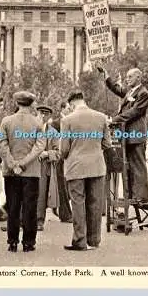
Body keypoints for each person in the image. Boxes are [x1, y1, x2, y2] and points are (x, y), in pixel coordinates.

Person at [0, 91, 46, 252]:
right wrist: (24, 164)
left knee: (13, 207)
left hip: (11, 172)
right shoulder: (37, 123)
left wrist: (12, 163)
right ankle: (28, 242)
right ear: (31, 104)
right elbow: (40, 147)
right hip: (31, 172)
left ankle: (12, 241)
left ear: (17, 103)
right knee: (30, 207)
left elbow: (1, 144)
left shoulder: (6, 121)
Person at [61, 90, 111, 251]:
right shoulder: (101, 117)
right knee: (95, 203)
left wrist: (66, 155)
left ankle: (80, 241)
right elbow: (107, 144)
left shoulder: (67, 120)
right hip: (97, 165)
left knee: (78, 203)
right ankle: (94, 240)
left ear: (72, 104)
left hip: (75, 166)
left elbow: (64, 148)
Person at [101, 67, 148, 203]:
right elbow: (117, 89)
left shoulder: (143, 93)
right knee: (127, 165)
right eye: (127, 77)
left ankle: (140, 196)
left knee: (138, 165)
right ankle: (130, 195)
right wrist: (106, 75)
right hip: (127, 136)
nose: (127, 79)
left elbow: (135, 112)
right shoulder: (131, 91)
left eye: (130, 77)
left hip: (136, 135)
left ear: (138, 77)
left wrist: (114, 120)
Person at [36, 105, 61, 231]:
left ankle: (39, 221)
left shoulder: (53, 133)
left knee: (41, 195)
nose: (43, 116)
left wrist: (47, 154)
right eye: (41, 113)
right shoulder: (29, 129)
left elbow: (58, 153)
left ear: (49, 116)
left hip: (44, 167)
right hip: (29, 166)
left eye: (46, 113)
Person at [50, 102, 73, 223]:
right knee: (61, 186)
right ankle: (65, 214)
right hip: (60, 158)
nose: (70, 110)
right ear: (63, 109)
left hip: (67, 158)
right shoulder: (55, 123)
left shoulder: (71, 121)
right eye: (69, 108)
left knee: (64, 186)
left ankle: (59, 209)